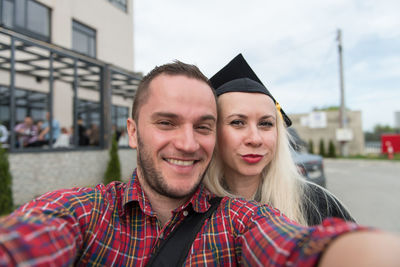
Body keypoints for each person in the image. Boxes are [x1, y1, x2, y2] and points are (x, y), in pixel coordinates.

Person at [0, 61, 399, 266]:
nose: (187, 143)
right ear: (133, 132)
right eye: (166, 122)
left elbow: (301, 248)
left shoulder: (240, 220)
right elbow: (32, 238)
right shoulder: (83, 213)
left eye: (266, 124)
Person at [204, 54, 353, 226]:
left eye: (266, 124)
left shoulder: (319, 205)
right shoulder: (190, 210)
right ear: (213, 130)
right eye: (237, 122)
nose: (255, 139)